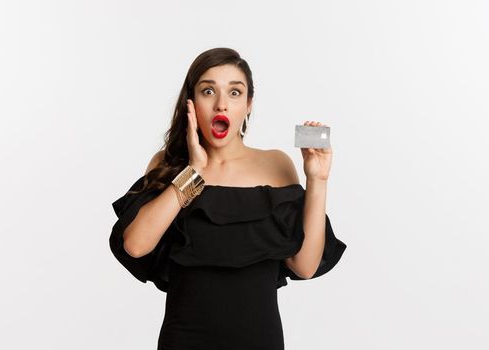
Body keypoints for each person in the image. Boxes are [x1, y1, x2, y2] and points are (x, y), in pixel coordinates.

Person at [109, 47, 347, 350]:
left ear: (248, 105)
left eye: (235, 93)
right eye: (208, 91)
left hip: (259, 340)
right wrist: (195, 171)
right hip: (185, 340)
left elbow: (305, 266)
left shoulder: (276, 164)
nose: (221, 104)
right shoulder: (169, 165)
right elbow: (136, 244)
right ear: (191, 102)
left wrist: (318, 179)